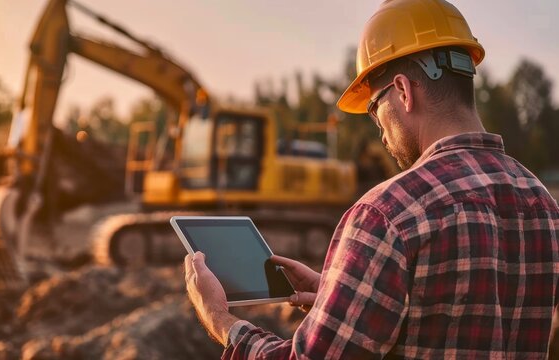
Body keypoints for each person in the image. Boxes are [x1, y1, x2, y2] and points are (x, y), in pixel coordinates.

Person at [184, 0, 559, 358]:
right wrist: (344, 296)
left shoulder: (388, 214)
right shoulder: (543, 204)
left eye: (373, 109)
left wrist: (221, 319)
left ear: (402, 91)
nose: (380, 131)